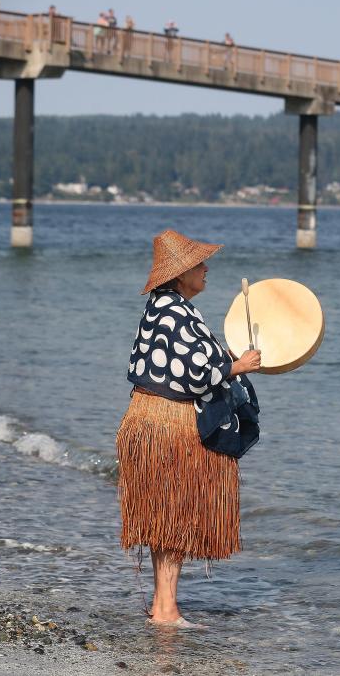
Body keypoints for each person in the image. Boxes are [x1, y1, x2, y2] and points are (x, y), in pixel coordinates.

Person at [117, 229, 262, 628]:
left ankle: (165, 607)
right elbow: (198, 375)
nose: (206, 269)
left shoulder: (161, 306)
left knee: (163, 515)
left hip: (146, 421)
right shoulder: (177, 311)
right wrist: (239, 366)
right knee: (175, 514)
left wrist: (227, 358)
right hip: (170, 425)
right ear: (181, 274)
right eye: (199, 264)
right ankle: (166, 611)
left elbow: (184, 361)